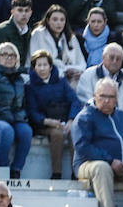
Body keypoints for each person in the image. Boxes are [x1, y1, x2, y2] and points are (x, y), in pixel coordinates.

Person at [73, 78, 123, 207]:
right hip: (88, 165)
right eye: (102, 96)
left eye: (111, 97)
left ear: (117, 98)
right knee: (102, 167)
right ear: (95, 95)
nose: (106, 100)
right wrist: (111, 161)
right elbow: (83, 147)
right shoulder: (84, 117)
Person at [25, 50, 82, 180]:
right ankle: (57, 173)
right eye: (38, 65)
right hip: (44, 124)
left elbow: (74, 101)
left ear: (50, 66)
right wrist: (47, 121)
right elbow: (31, 110)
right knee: (57, 134)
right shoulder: (30, 87)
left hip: (64, 121)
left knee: (75, 132)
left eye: (45, 65)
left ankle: (76, 172)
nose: (42, 68)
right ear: (34, 68)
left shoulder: (61, 82)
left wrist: (71, 120)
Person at [76, 44, 123, 121]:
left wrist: (120, 117)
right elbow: (85, 100)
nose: (114, 61)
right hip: (95, 120)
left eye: (118, 59)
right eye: (111, 57)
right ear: (103, 58)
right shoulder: (88, 75)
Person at [31, 5, 87, 83]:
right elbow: (35, 62)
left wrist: (74, 70)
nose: (59, 23)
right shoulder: (38, 34)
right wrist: (64, 71)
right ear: (48, 20)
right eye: (55, 19)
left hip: (72, 78)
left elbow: (82, 63)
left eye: (62, 20)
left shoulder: (71, 37)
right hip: (46, 79)